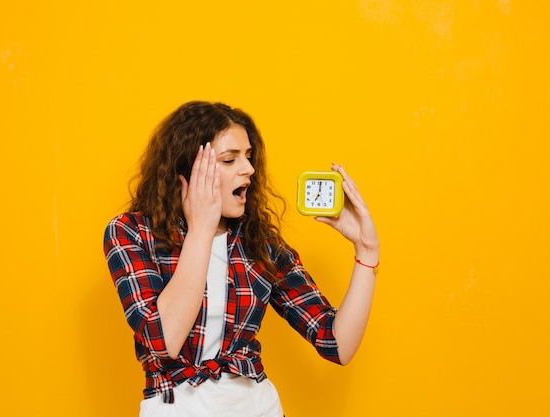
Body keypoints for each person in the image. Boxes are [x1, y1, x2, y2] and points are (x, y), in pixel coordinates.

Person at [103, 101, 380, 417]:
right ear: (187, 171)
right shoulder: (131, 233)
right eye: (229, 159)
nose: (248, 168)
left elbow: (337, 343)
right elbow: (163, 341)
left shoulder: (258, 241)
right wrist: (201, 229)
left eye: (248, 157)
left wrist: (366, 251)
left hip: (258, 407)